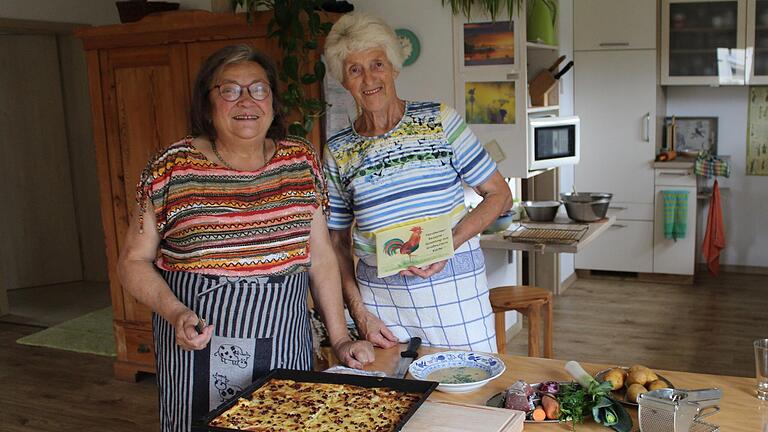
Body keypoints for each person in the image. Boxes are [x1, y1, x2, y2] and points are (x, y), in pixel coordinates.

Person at [117, 44, 374, 432]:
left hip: (283, 342)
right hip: (197, 344)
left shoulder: (300, 161)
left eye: (258, 89)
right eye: (230, 90)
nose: (247, 100)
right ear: (207, 104)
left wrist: (339, 339)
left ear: (272, 101)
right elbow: (132, 261)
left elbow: (320, 257)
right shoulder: (171, 168)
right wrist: (175, 312)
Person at [323, 13, 513, 353]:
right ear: (343, 80)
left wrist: (449, 244)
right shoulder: (338, 150)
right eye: (355, 69)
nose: (369, 79)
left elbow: (499, 195)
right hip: (381, 302)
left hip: (454, 289)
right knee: (393, 399)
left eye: (377, 64)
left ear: (394, 67)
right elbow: (336, 241)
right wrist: (359, 312)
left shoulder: (439, 120)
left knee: (469, 391)